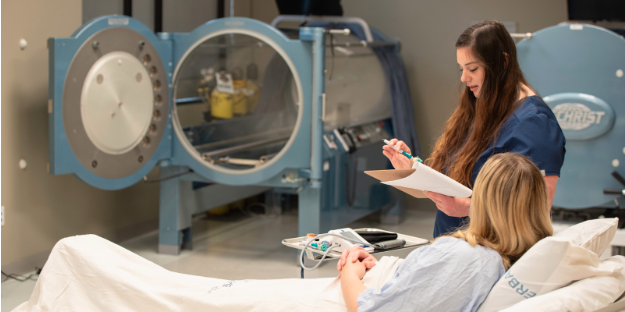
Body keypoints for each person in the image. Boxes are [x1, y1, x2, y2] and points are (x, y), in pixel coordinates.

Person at [14, 153, 551, 312]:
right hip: (367, 285)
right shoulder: (504, 255)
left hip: (337, 298)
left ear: (489, 200)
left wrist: (349, 268)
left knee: (181, 292)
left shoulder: (467, 259)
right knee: (199, 289)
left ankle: (74, 271)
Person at [383, 21, 565, 238]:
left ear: (503, 62)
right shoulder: (482, 104)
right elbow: (454, 185)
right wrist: (413, 169)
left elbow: (536, 210)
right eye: (461, 69)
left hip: (494, 256)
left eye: (473, 69)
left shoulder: (535, 123)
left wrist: (469, 208)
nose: (463, 78)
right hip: (455, 248)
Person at [338, 152, 553, 312]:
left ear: (481, 199)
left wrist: (350, 273)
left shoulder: (466, 256)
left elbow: (369, 309)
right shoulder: (532, 253)